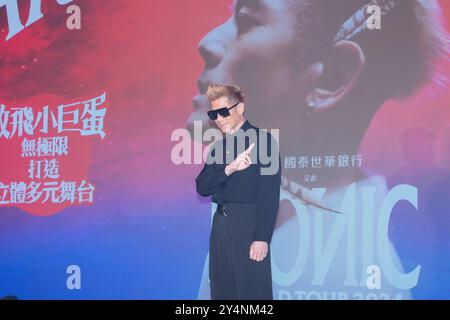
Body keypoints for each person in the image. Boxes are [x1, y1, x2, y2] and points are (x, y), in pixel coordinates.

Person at [190, 0, 448, 299]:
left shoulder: (326, 267)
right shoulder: (265, 217)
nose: (206, 43)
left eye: (247, 21)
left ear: (332, 77)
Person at [195, 84, 281, 300]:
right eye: (213, 113)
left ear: (240, 108)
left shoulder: (263, 141)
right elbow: (202, 187)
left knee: (252, 293)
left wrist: (262, 238)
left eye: (224, 111)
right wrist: (229, 168)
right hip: (221, 225)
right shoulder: (218, 148)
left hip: (248, 225)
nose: (219, 118)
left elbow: (269, 195)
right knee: (223, 291)